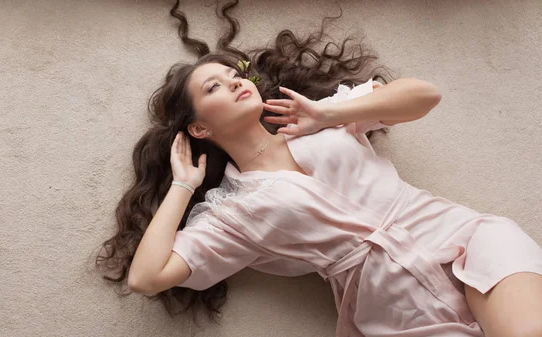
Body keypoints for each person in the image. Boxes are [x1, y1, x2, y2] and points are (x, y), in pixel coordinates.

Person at [94, 1, 542, 336]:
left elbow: (424, 95)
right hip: (392, 302)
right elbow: (146, 277)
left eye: (236, 76)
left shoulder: (314, 118)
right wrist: (183, 186)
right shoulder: (232, 212)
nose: (235, 82)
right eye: (215, 86)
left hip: (459, 236)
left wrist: (330, 116)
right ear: (199, 127)